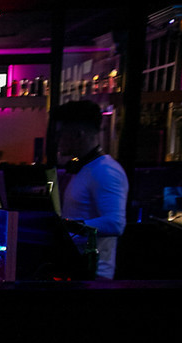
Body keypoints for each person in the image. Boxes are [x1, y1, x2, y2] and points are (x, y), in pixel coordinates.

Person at [51, 100, 128, 279]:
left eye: (61, 134)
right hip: (78, 270)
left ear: (79, 134)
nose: (57, 140)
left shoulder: (105, 171)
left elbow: (115, 224)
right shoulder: (86, 168)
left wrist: (65, 227)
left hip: (94, 276)